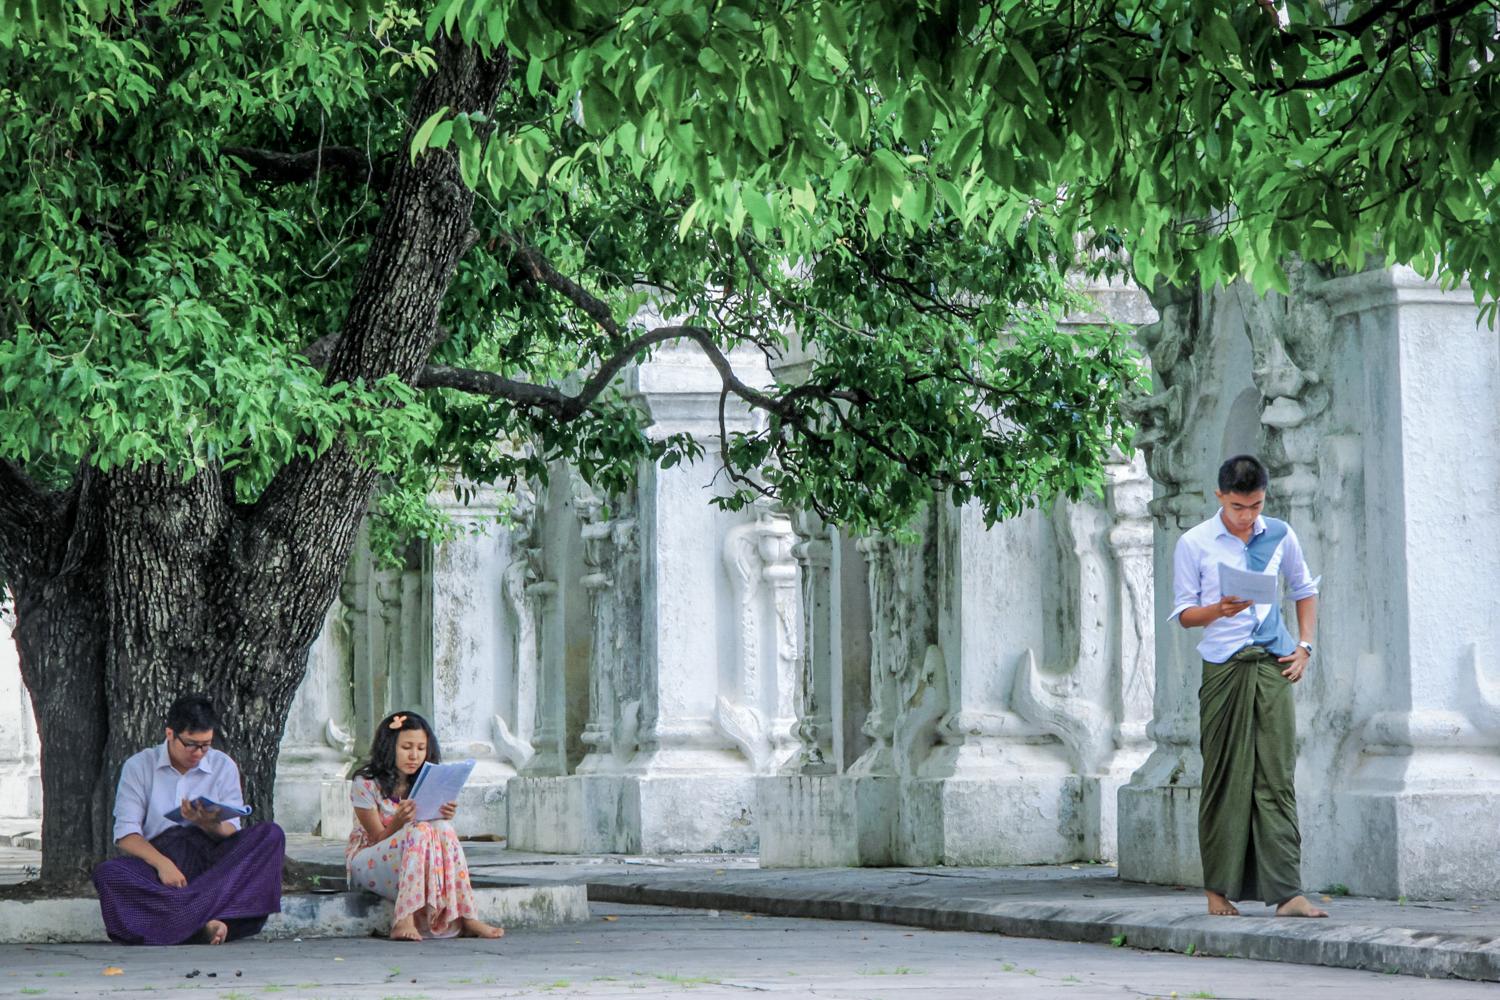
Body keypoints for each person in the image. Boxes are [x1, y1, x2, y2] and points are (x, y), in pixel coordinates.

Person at [1170, 455, 1328, 919]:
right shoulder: (1194, 543)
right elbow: (1183, 614)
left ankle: (1288, 893)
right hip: (1223, 667)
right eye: (1239, 507)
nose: (1248, 516)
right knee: (1223, 777)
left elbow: (1303, 588)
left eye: (1256, 506)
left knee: (1276, 776)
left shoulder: (1280, 533)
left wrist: (1304, 647)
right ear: (1220, 497)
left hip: (1273, 664)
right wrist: (1217, 610)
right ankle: (1217, 891)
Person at [93, 694, 285, 945]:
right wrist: (162, 864)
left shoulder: (222, 765)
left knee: (270, 835)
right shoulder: (139, 766)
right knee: (109, 873)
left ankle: (184, 920)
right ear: (170, 734)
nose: (199, 753)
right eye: (191, 744)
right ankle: (207, 921)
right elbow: (126, 834)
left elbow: (232, 830)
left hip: (211, 861)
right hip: (160, 860)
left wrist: (208, 824)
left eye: (206, 745)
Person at [347, 711, 503, 941]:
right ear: (389, 748)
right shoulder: (365, 783)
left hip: (413, 860)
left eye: (421, 748)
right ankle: (403, 919)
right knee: (416, 829)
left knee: (442, 827)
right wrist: (399, 823)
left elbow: (430, 835)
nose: (414, 756)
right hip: (368, 862)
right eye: (406, 747)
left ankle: (467, 917)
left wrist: (441, 814)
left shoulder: (425, 780)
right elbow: (378, 838)